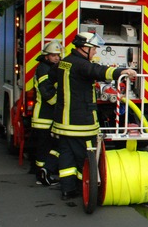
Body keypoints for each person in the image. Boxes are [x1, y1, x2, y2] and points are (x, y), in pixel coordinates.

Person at [51, 32, 137, 200]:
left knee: (66, 155)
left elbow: (52, 81)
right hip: (80, 123)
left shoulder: (64, 63)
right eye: (94, 49)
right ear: (84, 48)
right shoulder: (81, 64)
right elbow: (98, 70)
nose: (95, 52)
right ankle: (87, 189)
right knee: (85, 158)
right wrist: (122, 71)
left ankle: (67, 190)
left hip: (62, 121)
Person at [32, 40, 62, 184]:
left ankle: (44, 174)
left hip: (49, 117)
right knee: (44, 148)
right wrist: (62, 105)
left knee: (50, 146)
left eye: (58, 55)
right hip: (43, 117)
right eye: (53, 55)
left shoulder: (50, 68)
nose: (56, 58)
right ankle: (41, 176)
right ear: (46, 56)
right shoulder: (43, 69)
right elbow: (47, 93)